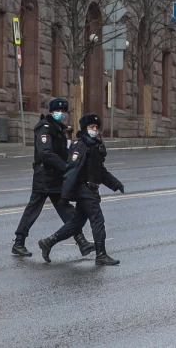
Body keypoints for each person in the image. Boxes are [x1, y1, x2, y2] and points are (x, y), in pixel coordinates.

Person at [11, 98, 94, 258]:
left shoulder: (59, 130)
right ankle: (18, 242)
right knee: (33, 209)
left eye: (63, 111)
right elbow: (45, 153)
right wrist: (66, 168)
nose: (61, 114)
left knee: (65, 208)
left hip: (56, 177)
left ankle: (82, 241)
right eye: (58, 111)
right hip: (44, 175)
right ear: (51, 111)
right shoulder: (45, 128)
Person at [38, 114, 125, 266]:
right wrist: (65, 196)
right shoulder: (81, 146)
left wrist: (115, 183)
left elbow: (100, 171)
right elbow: (71, 171)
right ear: (85, 128)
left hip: (91, 190)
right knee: (97, 220)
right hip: (83, 189)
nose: (95, 130)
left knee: (76, 224)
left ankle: (48, 242)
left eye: (97, 127)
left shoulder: (94, 146)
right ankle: (101, 255)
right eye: (92, 127)